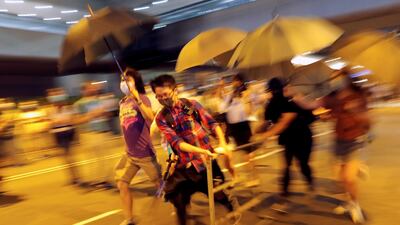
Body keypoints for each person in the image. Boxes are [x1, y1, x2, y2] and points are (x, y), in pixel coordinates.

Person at [151, 74, 239, 225]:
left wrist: (223, 143)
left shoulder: (190, 105)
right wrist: (200, 152)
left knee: (218, 196)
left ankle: (233, 211)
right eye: (158, 96)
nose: (163, 99)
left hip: (206, 164)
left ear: (175, 90)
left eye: (165, 94)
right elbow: (178, 144)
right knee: (178, 200)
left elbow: (212, 124)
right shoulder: (161, 118)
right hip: (184, 167)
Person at [290, 68, 370, 224]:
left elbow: (368, 121)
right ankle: (348, 201)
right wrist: (297, 97)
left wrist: (355, 111)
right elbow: (311, 105)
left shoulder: (359, 95)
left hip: (355, 140)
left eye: (336, 78)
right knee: (340, 179)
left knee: (349, 178)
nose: (333, 81)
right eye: (332, 79)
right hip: (339, 141)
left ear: (346, 79)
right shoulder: (332, 97)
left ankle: (355, 205)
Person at [115, 68, 162, 225]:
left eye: (128, 79)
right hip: (129, 154)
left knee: (161, 187)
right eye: (122, 80)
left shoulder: (142, 98)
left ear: (136, 82)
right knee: (122, 183)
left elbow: (151, 117)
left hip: (145, 153)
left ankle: (180, 206)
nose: (124, 83)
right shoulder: (122, 102)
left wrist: (137, 97)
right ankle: (129, 219)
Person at [256, 77, 315, 196]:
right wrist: (257, 133)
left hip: (302, 137)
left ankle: (309, 181)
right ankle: (284, 191)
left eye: (275, 90)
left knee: (302, 164)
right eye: (273, 90)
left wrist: (265, 135)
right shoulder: (272, 104)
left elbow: (284, 122)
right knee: (286, 164)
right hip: (288, 138)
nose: (275, 92)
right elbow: (267, 122)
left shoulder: (291, 102)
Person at [220, 74, 257, 186]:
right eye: (233, 82)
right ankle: (235, 176)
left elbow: (249, 112)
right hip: (231, 128)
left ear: (241, 83)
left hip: (243, 126)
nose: (235, 84)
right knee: (226, 155)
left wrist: (245, 99)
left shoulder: (247, 95)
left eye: (237, 82)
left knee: (248, 155)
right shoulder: (230, 95)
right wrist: (224, 91)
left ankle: (254, 178)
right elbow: (222, 109)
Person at [47, 88, 83, 186]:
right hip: (57, 135)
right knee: (65, 158)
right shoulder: (50, 110)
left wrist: (59, 122)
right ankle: (73, 178)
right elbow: (49, 124)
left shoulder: (69, 108)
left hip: (68, 133)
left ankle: (77, 178)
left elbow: (73, 121)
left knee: (69, 157)